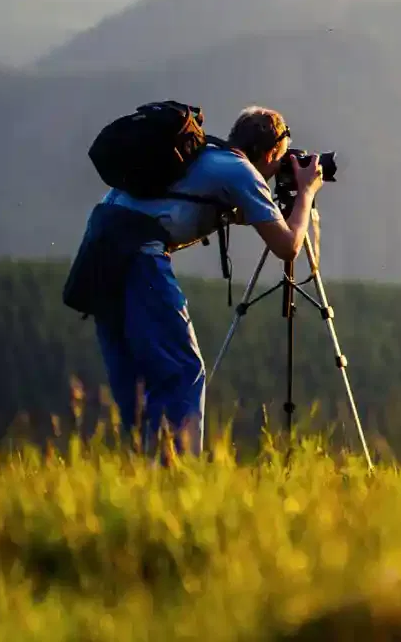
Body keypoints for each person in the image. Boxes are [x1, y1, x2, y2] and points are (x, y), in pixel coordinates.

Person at [71, 105, 324, 453]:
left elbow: (188, 203)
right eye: (280, 162)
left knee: (135, 380)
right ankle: (176, 479)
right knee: (181, 372)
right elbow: (288, 247)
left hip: (98, 248)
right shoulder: (241, 172)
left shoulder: (206, 154)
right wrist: (307, 191)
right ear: (269, 154)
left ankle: (137, 476)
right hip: (138, 254)